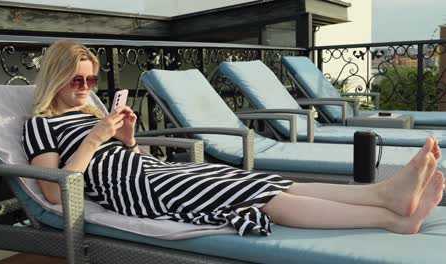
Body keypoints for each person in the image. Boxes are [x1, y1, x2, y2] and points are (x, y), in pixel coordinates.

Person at [22, 40, 445, 236]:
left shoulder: (92, 111)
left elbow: (130, 157)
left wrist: (129, 137)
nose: (85, 86)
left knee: (265, 181)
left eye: (91, 78)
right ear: (56, 76)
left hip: (158, 172)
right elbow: (56, 193)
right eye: (77, 78)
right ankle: (390, 218)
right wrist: (95, 140)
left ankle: (385, 194)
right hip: (139, 192)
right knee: (263, 200)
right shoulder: (41, 125)